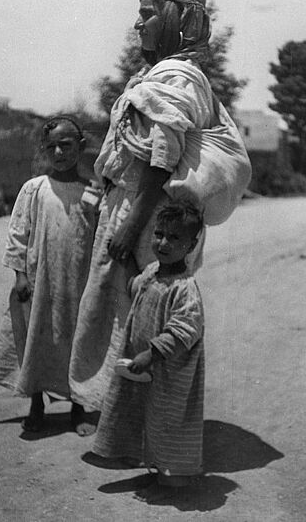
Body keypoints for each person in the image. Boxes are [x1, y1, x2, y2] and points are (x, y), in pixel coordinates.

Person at [69, 0, 216, 409]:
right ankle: (119, 417)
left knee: (149, 314)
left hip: (150, 214)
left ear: (175, 21)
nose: (138, 24)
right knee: (118, 314)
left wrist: (133, 226)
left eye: (148, 15)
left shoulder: (178, 78)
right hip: (129, 205)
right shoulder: (153, 74)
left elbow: (161, 158)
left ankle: (155, 426)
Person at [0, 116, 99, 434]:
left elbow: (96, 235)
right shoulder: (34, 189)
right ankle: (36, 404)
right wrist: (20, 275)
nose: (59, 152)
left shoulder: (90, 192)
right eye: (52, 147)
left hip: (77, 282)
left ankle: (78, 407)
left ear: (80, 146)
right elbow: (18, 233)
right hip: (39, 281)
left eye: (66, 145)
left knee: (76, 341)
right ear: (43, 151)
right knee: (36, 339)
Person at [92, 202, 205, 495]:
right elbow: (134, 286)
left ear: (191, 245)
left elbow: (184, 331)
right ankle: (153, 466)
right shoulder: (153, 272)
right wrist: (126, 258)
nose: (163, 243)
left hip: (169, 373)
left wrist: (152, 353)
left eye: (175, 238)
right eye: (159, 234)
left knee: (169, 421)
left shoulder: (185, 289)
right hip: (146, 369)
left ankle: (174, 477)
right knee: (145, 415)